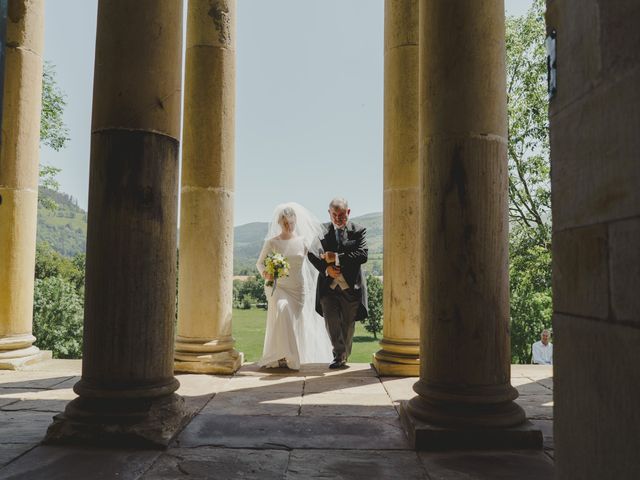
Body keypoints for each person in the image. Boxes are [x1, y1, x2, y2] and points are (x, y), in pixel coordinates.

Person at [256, 203, 333, 370]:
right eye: (285, 223)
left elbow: (316, 259)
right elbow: (259, 263)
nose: (289, 226)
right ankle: (285, 356)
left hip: (297, 289)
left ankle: (283, 356)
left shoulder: (303, 242)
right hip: (277, 287)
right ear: (279, 222)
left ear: (295, 222)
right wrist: (266, 274)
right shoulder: (272, 242)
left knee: (290, 321)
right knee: (282, 309)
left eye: (291, 223)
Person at [307, 197, 368, 369]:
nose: (337, 218)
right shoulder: (321, 231)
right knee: (331, 321)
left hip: (351, 287)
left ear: (348, 212)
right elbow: (311, 254)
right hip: (328, 288)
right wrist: (326, 270)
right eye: (334, 214)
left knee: (348, 326)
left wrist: (336, 258)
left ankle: (344, 353)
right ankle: (339, 355)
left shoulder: (359, 231)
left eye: (341, 215)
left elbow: (362, 255)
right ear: (329, 213)